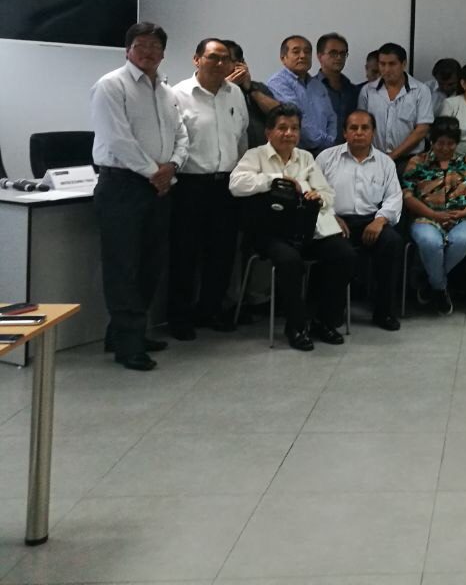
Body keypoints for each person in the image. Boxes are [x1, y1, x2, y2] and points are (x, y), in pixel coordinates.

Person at [90, 22, 189, 371]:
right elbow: (117, 139)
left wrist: (172, 166)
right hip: (122, 186)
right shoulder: (111, 85)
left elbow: (182, 135)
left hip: (159, 187)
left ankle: (125, 333)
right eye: (141, 45)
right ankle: (128, 344)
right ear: (128, 50)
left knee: (150, 264)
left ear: (163, 53)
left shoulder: (167, 91)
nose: (148, 52)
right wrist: (155, 173)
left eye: (155, 46)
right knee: (123, 266)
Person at [229, 104, 355, 352]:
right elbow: (236, 184)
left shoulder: (306, 157)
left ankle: (324, 320)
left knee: (344, 254)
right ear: (269, 132)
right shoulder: (255, 155)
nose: (289, 133)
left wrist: (316, 196)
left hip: (305, 229)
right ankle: (296, 326)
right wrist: (275, 180)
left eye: (294, 128)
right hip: (270, 233)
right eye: (282, 128)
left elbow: (328, 193)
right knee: (290, 261)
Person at [168, 38, 248, 340]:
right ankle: (179, 317)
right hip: (190, 185)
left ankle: (210, 310)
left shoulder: (235, 93)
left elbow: (241, 137)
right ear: (197, 59)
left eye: (225, 58)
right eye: (213, 57)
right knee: (185, 254)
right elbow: (172, 141)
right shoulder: (177, 94)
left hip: (226, 185)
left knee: (222, 253)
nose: (220, 63)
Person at [316, 110, 405, 332]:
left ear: (373, 132)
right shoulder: (326, 158)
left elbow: (394, 197)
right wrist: (330, 216)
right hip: (336, 220)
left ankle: (384, 312)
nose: (359, 133)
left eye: (365, 128)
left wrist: (380, 220)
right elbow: (314, 192)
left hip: (371, 221)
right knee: (340, 252)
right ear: (344, 132)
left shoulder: (385, 162)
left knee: (392, 242)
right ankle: (331, 316)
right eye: (353, 128)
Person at [402, 118, 466, 317]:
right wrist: (433, 214)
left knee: (462, 241)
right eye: (440, 143)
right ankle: (440, 288)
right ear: (432, 141)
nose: (445, 148)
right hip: (425, 217)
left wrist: (465, 212)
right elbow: (407, 196)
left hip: (461, 218)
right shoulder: (417, 162)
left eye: (450, 143)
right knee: (430, 242)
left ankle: (430, 282)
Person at [358, 41, 434, 164]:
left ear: (403, 64)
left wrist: (392, 156)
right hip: (375, 159)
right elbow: (362, 125)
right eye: (382, 64)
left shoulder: (421, 90)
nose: (387, 69)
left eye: (392, 64)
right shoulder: (367, 91)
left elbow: (422, 129)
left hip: (410, 160)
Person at [265, 34, 336, 153]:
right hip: (295, 153)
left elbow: (332, 117)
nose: (303, 56)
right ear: (283, 58)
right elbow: (296, 118)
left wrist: (330, 141)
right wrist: (322, 141)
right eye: (296, 52)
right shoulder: (278, 82)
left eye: (307, 52)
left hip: (325, 151)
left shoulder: (318, 85)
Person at [224, 39, 280, 148]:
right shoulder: (212, 91)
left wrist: (250, 89)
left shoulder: (257, 88)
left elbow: (279, 115)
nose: (220, 64)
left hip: (262, 153)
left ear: (241, 63)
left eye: (226, 60)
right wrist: (227, 87)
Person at [315, 32, 361, 144]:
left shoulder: (353, 90)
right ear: (320, 56)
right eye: (333, 53)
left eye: (342, 53)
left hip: (348, 151)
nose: (339, 57)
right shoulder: (308, 89)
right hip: (316, 152)